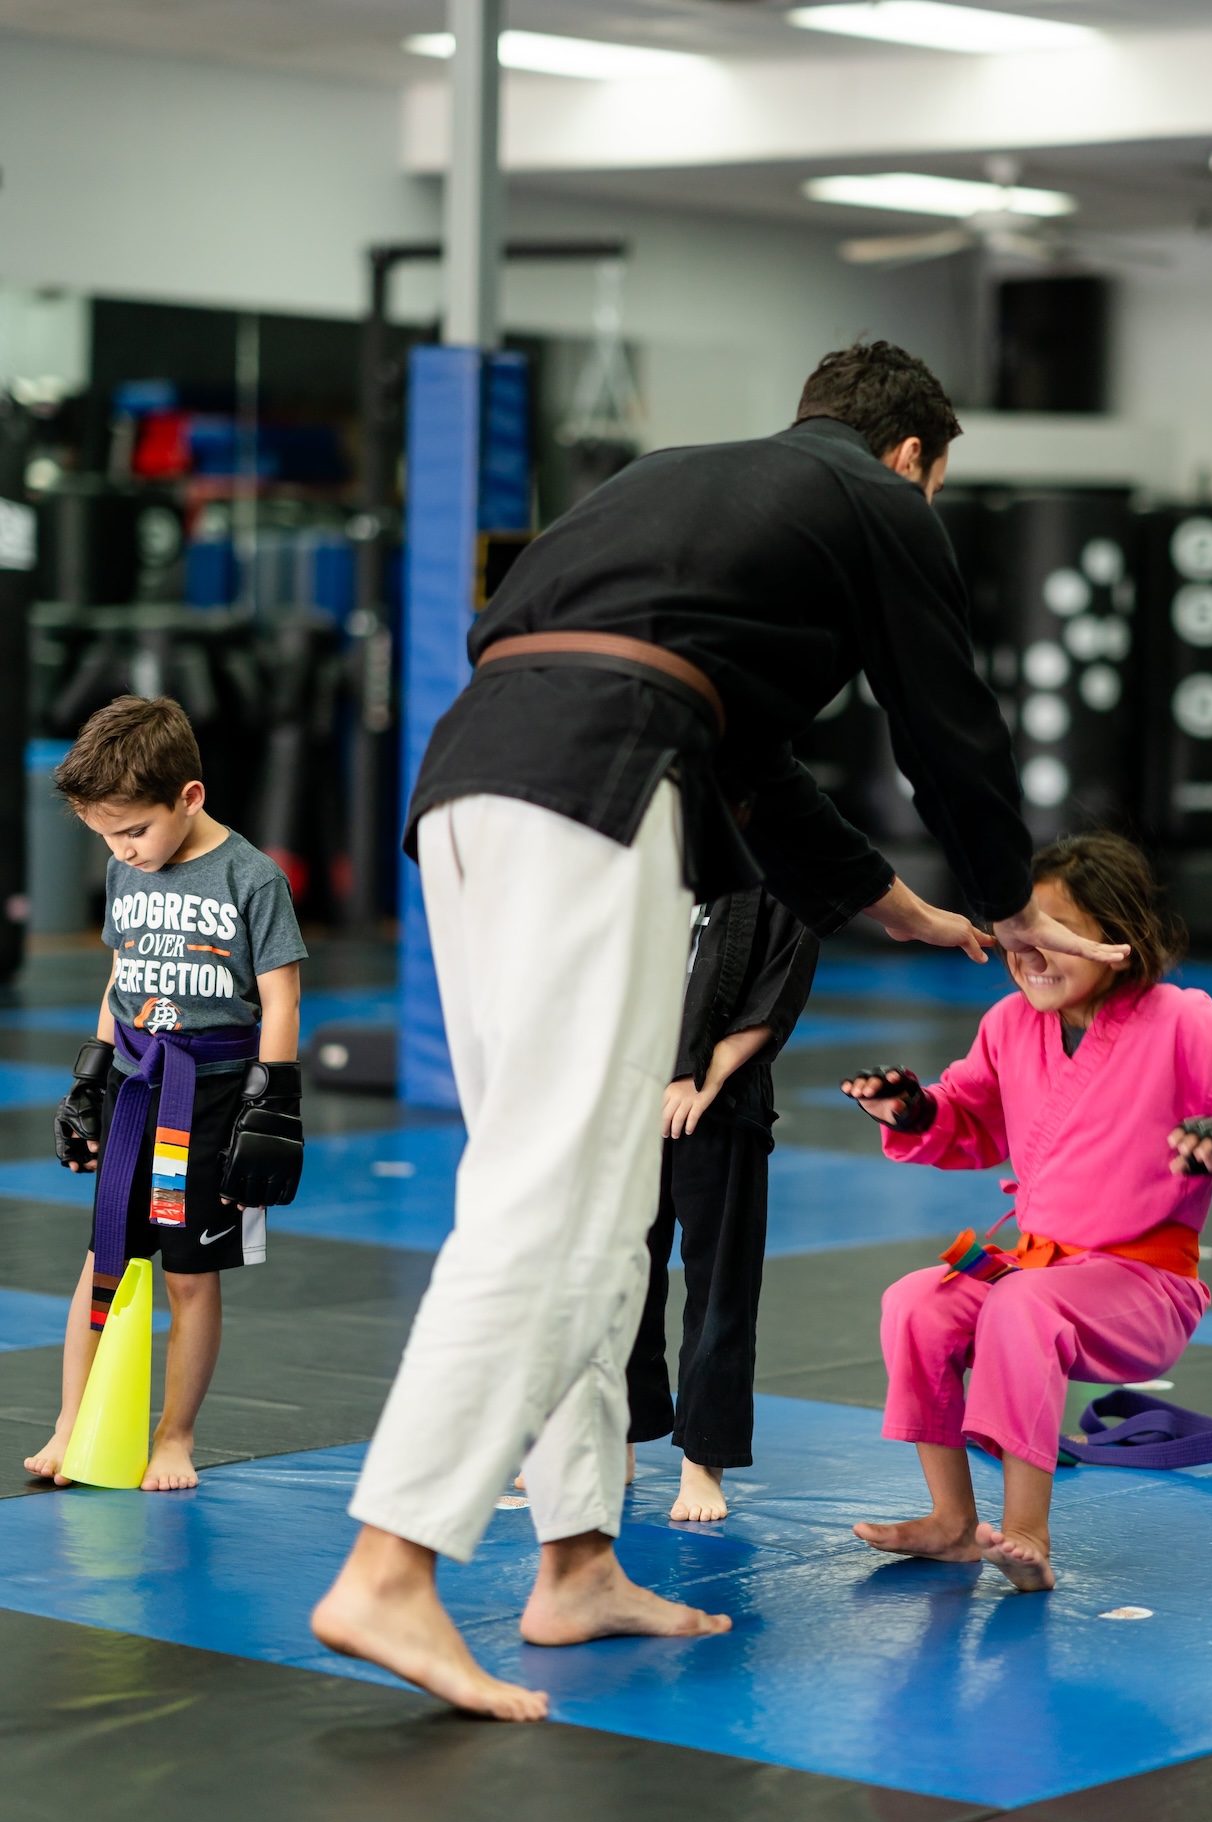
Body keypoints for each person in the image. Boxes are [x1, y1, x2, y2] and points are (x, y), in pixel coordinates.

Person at [312, 340, 1134, 1721]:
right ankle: (391, 1562)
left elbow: (753, 767)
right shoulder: (880, 502)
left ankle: (576, 1557)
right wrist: (1013, 904)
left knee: (594, 1194)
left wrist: (901, 910)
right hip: (598, 785)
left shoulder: (681, 488)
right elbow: (948, 725)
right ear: (912, 456)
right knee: (553, 1197)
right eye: (931, 482)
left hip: (468, 785)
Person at [844, 832, 1212, 1591]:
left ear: (1117, 939)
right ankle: (952, 1522)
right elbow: (967, 1118)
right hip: (1039, 1269)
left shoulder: (1182, 1020)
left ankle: (1027, 1532)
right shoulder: (1008, 1024)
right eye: (1018, 935)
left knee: (1020, 1305)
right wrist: (911, 1109)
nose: (1031, 955)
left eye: (1053, 933)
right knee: (916, 1303)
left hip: (1145, 1287)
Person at [24, 696, 306, 1494]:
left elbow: (281, 997)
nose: (121, 849)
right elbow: (121, 977)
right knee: (103, 1261)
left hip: (212, 1097)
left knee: (190, 1272)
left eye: (134, 830)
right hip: (134, 1085)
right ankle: (70, 1421)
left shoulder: (253, 877)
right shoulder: (128, 867)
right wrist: (90, 1076)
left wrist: (272, 1103)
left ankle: (175, 1434)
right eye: (106, 836)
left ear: (189, 796)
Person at [627, 889, 818, 1522]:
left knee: (719, 1285)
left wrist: (703, 1078)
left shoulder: (779, 869)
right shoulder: (641, 852)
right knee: (615, 1273)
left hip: (724, 1099)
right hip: (623, 1093)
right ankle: (612, 1434)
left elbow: (778, 992)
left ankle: (701, 1461)